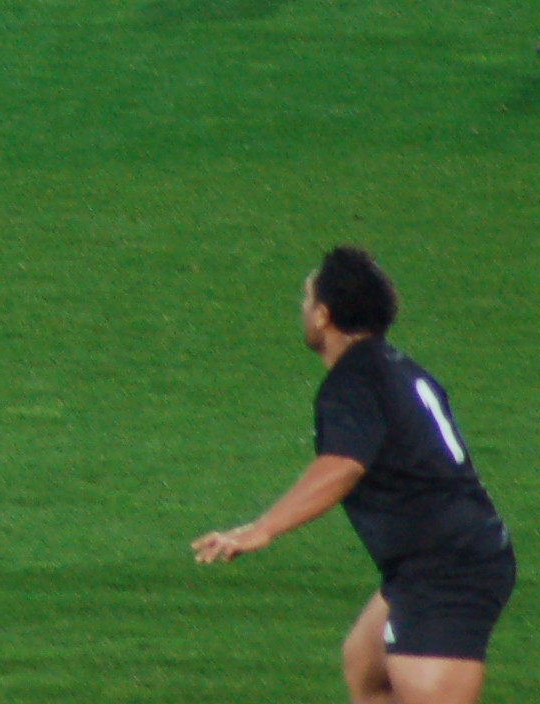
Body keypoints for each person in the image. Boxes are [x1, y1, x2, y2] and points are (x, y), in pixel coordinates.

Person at [192, 248, 514, 704]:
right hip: (439, 556)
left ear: (323, 316)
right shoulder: (397, 368)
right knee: (366, 667)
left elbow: (342, 465)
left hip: (446, 570)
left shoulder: (353, 382)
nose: (302, 309)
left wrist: (261, 529)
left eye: (306, 299)